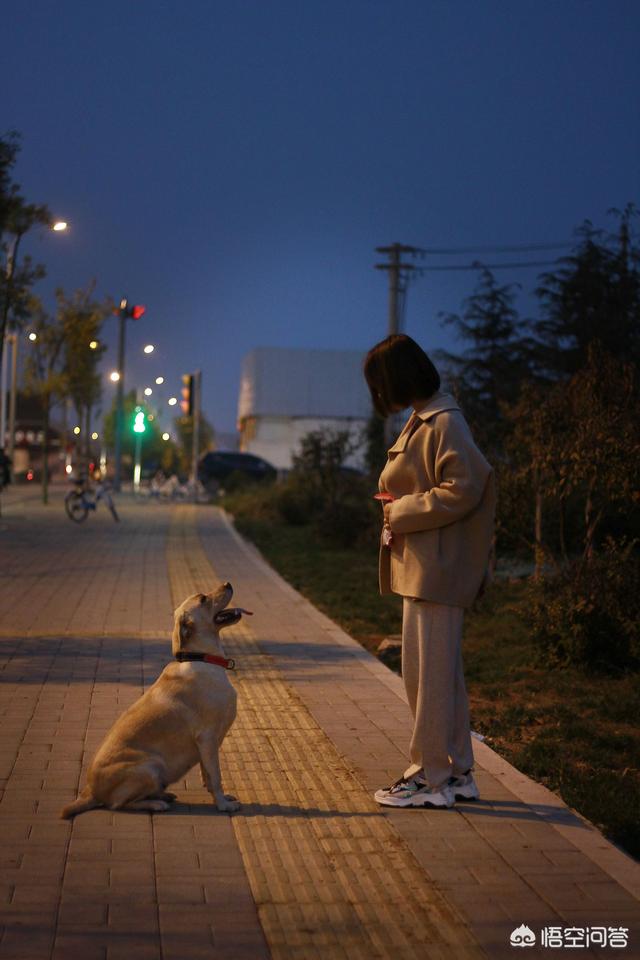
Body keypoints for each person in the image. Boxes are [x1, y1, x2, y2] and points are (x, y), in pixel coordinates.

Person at [364, 334, 495, 809]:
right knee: (437, 677)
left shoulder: (444, 422)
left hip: (438, 570)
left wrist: (402, 512)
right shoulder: (427, 419)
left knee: (429, 679)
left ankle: (430, 778)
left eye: (380, 383)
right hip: (424, 567)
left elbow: (467, 484)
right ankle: (458, 773)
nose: (378, 394)